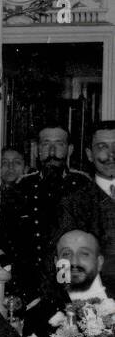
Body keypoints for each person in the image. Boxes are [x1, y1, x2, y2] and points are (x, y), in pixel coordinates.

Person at [0, 123, 90, 306]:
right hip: (28, 285)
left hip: (71, 281)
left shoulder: (83, 186)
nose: (52, 150)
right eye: (46, 144)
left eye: (59, 144)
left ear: (70, 149)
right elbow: (6, 238)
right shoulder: (21, 188)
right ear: (37, 149)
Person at [57, 121, 115, 297]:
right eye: (102, 147)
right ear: (90, 154)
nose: (111, 154)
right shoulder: (74, 202)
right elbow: (63, 259)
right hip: (96, 303)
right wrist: (69, 301)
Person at [21, 229, 108, 337]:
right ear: (57, 262)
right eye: (66, 254)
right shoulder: (37, 316)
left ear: (99, 261)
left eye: (84, 254)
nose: (74, 262)